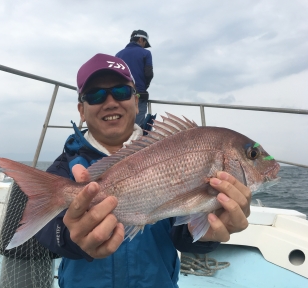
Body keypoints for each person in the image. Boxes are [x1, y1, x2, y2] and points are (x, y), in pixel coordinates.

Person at [34, 53, 251, 288]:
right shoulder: (66, 165)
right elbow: (46, 231)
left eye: (121, 92)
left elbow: (183, 234)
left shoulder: (169, 150)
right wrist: (72, 236)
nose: (110, 102)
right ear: (82, 110)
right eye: (95, 95)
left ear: (137, 101)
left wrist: (207, 227)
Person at [116, 29, 153, 127]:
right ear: (141, 39)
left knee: (121, 124)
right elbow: (149, 74)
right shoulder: (146, 53)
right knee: (136, 127)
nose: (144, 45)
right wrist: (145, 86)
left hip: (119, 95)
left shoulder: (118, 55)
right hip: (138, 94)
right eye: (145, 42)